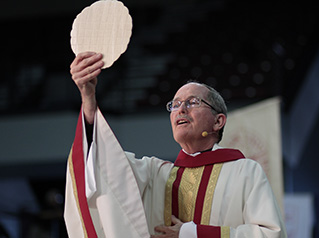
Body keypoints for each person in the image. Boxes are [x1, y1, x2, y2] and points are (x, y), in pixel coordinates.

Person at [64, 51, 287, 238]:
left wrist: (193, 233)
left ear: (218, 121)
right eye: (176, 104)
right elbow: (103, 164)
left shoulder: (245, 172)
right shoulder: (154, 175)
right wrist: (89, 100)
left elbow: (271, 234)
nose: (181, 109)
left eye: (193, 102)